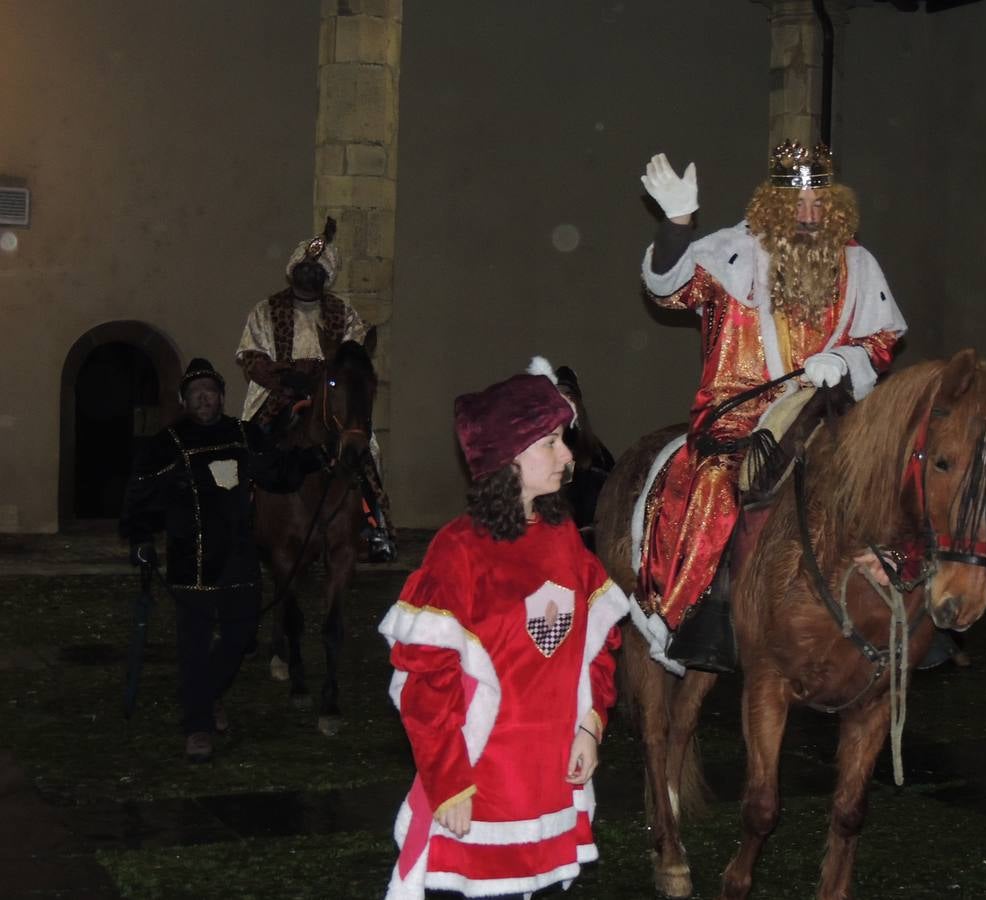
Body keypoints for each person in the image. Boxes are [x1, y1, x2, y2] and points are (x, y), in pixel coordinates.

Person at [636, 142, 907, 670]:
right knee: (716, 484)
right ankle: (702, 613)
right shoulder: (729, 253)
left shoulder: (859, 264)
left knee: (894, 477)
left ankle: (905, 607)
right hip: (740, 414)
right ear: (771, 207)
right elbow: (670, 290)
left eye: (818, 202)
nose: (808, 215)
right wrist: (677, 224)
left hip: (829, 413)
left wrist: (847, 359)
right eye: (795, 203)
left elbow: (881, 340)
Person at [377, 367, 629, 899]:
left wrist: (590, 723)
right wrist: (449, 785)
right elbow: (424, 681)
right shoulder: (459, 551)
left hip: (549, 780)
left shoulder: (563, 539)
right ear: (506, 458)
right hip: (481, 786)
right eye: (552, 442)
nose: (567, 455)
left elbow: (597, 643)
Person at [120, 358, 323, 762]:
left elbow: (276, 473)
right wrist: (140, 538)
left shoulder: (244, 435)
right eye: (195, 393)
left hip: (239, 558)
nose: (203, 398)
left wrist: (314, 459)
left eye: (210, 391)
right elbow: (139, 495)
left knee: (240, 637)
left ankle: (206, 694)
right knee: (194, 646)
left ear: (221, 396)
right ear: (183, 400)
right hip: (191, 562)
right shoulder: (166, 443)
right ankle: (197, 725)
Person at [234, 217, 397, 562]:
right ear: (293, 268)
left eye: (317, 269)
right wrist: (278, 372)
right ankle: (242, 518)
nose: (310, 273)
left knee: (368, 447)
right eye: (305, 266)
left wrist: (325, 374)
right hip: (279, 392)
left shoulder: (344, 314)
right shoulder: (266, 310)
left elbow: (356, 357)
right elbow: (249, 354)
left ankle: (375, 526)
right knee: (248, 445)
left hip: (329, 393)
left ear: (327, 275)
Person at [553, 364, 615, 551]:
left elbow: (606, 509)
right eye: (558, 397)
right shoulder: (538, 450)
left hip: (585, 549)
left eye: (569, 397)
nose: (564, 404)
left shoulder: (597, 454)